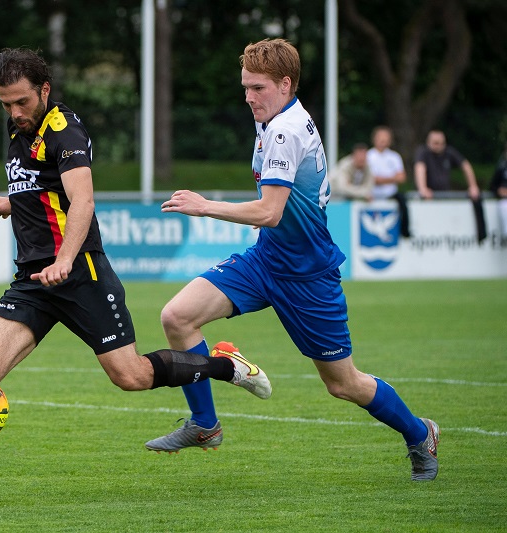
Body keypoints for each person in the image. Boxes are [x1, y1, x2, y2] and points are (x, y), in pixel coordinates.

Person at [0, 47, 271, 506]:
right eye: (6, 104)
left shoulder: (65, 130)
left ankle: (227, 366)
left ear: (45, 90)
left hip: (81, 274)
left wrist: (64, 260)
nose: (15, 112)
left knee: (131, 376)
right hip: (33, 280)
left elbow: (83, 200)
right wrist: (12, 203)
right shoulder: (20, 128)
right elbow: (44, 188)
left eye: (22, 102)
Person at [148, 38, 438, 482]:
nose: (249, 97)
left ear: (285, 84)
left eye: (258, 88)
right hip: (266, 260)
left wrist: (205, 206)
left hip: (308, 277)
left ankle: (420, 434)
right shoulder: (274, 120)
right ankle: (205, 424)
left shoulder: (284, 130)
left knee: (343, 384)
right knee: (178, 317)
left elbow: (270, 212)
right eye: (245, 87)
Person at [414, 129, 487, 242]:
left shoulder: (449, 152)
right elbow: (420, 168)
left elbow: (466, 166)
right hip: (427, 199)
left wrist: (473, 186)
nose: (438, 146)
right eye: (435, 143)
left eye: (441, 143)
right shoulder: (423, 152)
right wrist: (423, 188)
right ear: (428, 142)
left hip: (444, 198)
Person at [366, 126, 411, 237]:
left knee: (403, 203)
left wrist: (381, 179)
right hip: (372, 194)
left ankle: (405, 231)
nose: (383, 141)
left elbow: (402, 178)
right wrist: (392, 178)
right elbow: (373, 179)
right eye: (380, 138)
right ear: (374, 139)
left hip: (391, 194)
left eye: (385, 138)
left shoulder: (394, 157)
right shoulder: (368, 156)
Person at [490, 141, 507, 234]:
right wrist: (498, 191)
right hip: (504, 201)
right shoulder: (501, 168)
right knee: (504, 206)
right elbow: (492, 186)